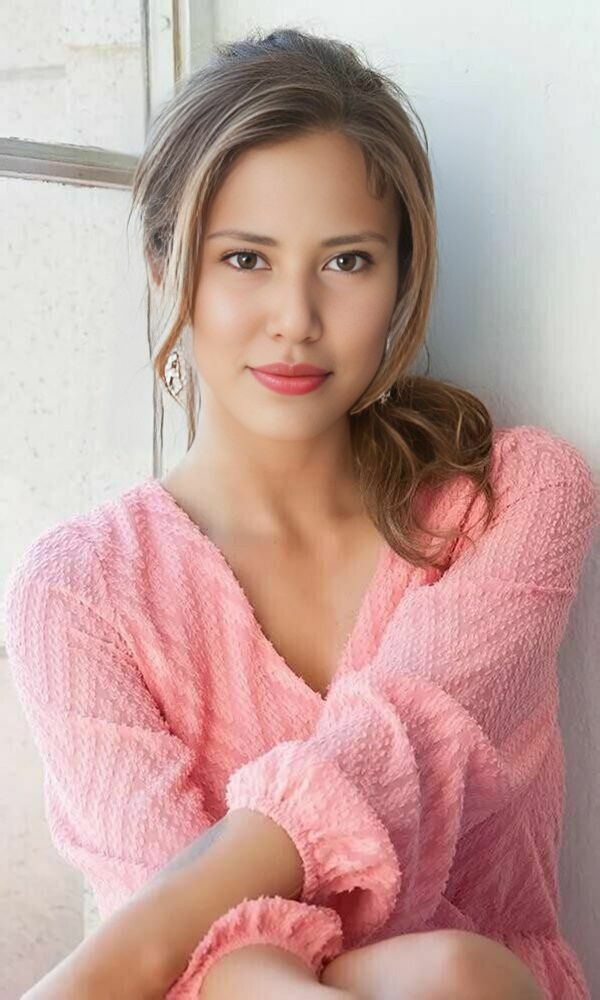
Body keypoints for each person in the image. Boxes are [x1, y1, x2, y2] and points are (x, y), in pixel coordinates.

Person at [4, 25, 598, 1000]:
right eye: (245, 259)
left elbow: (399, 749)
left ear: (403, 276)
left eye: (347, 261)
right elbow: (206, 966)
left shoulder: (514, 499)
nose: (295, 318)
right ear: (164, 265)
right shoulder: (78, 593)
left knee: (452, 973)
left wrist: (112, 963)